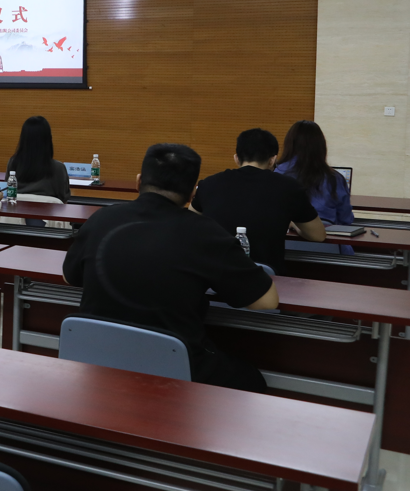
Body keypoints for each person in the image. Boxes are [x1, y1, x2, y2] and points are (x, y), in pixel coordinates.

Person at [63, 143, 278, 393]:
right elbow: (267, 301)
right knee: (253, 381)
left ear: (139, 181)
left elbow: (70, 277)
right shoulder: (207, 234)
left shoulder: (101, 218)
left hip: (96, 360)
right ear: (192, 194)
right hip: (172, 368)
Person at [192, 128, 326, 274]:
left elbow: (190, 221)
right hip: (267, 277)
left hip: (212, 275)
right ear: (272, 160)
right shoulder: (290, 187)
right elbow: (318, 235)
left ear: (236, 158)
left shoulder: (208, 184)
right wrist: (293, 224)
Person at [276, 121, 354, 256]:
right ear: (321, 146)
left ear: (289, 144)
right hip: (329, 251)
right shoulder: (335, 178)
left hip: (285, 251)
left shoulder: (276, 174)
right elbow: (346, 220)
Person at [5, 115, 71, 202]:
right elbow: (63, 198)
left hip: (16, 210)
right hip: (48, 211)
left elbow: (8, 191)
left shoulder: (13, 162)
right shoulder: (58, 168)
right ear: (48, 139)